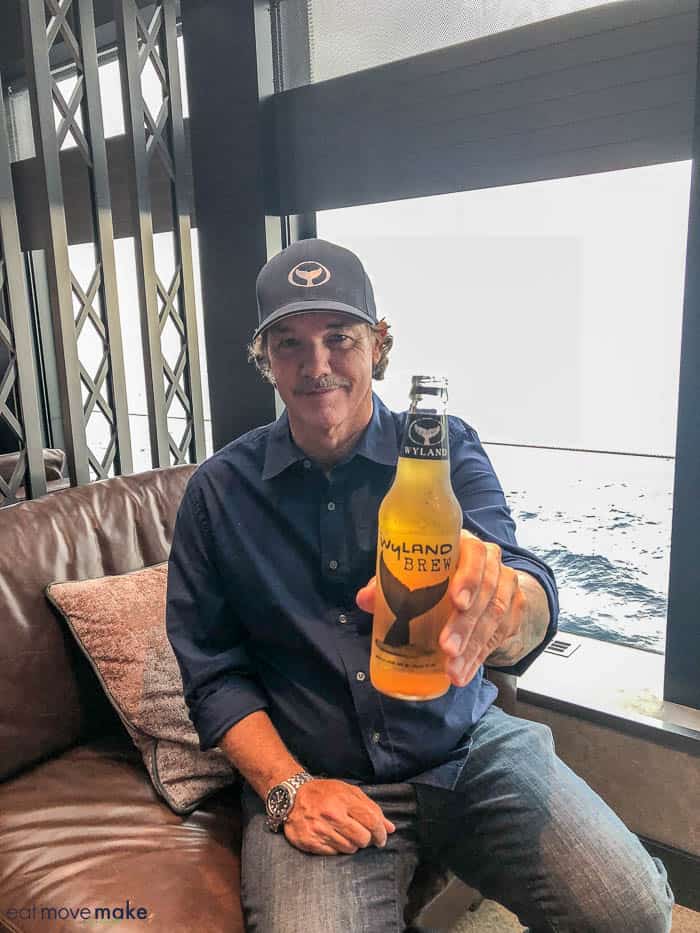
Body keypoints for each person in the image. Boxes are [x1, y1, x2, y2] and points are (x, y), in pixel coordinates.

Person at [166, 238, 674, 933]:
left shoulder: (444, 448)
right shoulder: (218, 494)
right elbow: (212, 672)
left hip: (470, 748)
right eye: (289, 343)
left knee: (633, 909)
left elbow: (523, 579)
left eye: (339, 337)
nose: (317, 366)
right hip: (325, 774)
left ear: (378, 344)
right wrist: (288, 789)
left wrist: (504, 607)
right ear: (266, 361)